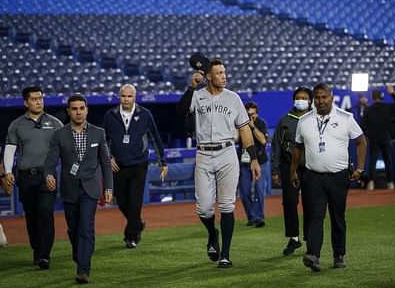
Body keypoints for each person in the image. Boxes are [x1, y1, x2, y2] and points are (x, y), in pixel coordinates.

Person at [176, 58, 261, 268]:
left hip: (227, 153)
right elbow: (181, 111)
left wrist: (254, 159)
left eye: (224, 72)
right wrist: (191, 86)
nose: (224, 76)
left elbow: (244, 130)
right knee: (204, 209)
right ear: (208, 76)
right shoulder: (197, 96)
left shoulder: (233, 98)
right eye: (219, 73)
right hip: (203, 154)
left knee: (226, 205)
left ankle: (225, 254)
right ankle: (213, 234)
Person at [290, 83, 366, 272]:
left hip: (339, 177)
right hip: (313, 177)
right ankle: (313, 255)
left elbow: (361, 141)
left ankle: (338, 254)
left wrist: (361, 168)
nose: (321, 101)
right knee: (315, 217)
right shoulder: (304, 120)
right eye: (317, 97)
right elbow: (298, 148)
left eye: (324, 97)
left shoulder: (346, 118)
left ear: (332, 97)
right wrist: (292, 171)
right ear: (313, 99)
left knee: (337, 216)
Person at [44, 94, 113, 284]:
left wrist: (108, 186)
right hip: (69, 188)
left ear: (87, 110)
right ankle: (79, 253)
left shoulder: (98, 133)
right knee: (73, 228)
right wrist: (49, 174)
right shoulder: (59, 134)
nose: (79, 112)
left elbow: (106, 163)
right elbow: (50, 160)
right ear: (69, 111)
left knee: (86, 227)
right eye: (74, 109)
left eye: (82, 108)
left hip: (90, 188)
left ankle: (83, 269)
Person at [3, 86, 63, 269]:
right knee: (31, 216)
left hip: (47, 176)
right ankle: (37, 250)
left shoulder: (55, 123)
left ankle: (45, 255)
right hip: (25, 177)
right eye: (34, 99)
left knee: (45, 212)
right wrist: (7, 171)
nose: (39, 102)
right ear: (26, 102)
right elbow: (10, 149)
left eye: (41, 98)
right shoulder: (16, 124)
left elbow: (65, 148)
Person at [102, 84, 168, 249]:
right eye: (123, 96)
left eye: (129, 96)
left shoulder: (145, 114)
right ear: (119, 97)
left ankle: (130, 236)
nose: (126, 99)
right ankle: (137, 223)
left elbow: (155, 138)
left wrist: (163, 162)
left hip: (139, 164)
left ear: (135, 97)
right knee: (122, 202)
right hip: (118, 166)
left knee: (135, 201)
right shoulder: (110, 115)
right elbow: (103, 140)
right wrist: (109, 157)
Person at [270, 86, 313, 256]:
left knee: (311, 203)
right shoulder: (285, 120)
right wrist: (275, 170)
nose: (301, 100)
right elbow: (276, 148)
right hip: (289, 166)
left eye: (304, 97)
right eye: (298, 97)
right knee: (289, 202)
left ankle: (311, 239)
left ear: (310, 100)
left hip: (311, 166)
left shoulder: (316, 119)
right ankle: (294, 238)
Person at [361, 86, 395, 190]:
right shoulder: (386, 107)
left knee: (372, 161)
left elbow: (363, 125)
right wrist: (392, 94)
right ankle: (390, 182)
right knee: (388, 160)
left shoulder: (368, 109)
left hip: (374, 138)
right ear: (381, 97)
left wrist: (368, 135)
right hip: (385, 138)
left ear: (372, 97)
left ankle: (371, 183)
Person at [238, 101, 268, 228]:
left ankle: (259, 217)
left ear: (257, 114)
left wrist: (252, 126)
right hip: (245, 162)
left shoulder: (261, 123)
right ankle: (251, 217)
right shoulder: (239, 123)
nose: (251, 116)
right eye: (248, 114)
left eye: (253, 114)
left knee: (259, 190)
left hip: (260, 161)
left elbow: (263, 140)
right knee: (244, 191)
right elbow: (235, 138)